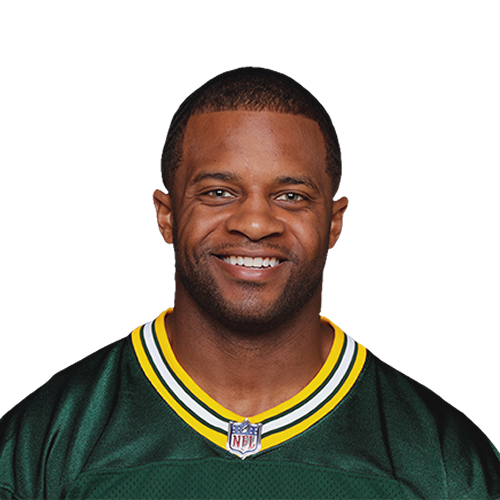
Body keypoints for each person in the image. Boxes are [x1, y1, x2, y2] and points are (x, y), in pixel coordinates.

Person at [1, 67, 499, 500]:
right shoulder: (44, 440)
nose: (256, 224)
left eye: (291, 196)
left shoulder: (443, 459)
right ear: (166, 215)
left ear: (335, 223)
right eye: (219, 192)